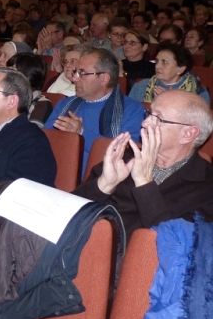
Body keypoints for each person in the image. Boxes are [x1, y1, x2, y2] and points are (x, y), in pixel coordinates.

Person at [75, 90, 213, 239]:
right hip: (82, 247)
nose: (145, 123)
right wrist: (105, 184)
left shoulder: (206, 186)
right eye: (149, 113)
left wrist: (144, 183)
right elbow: (67, 212)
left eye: (158, 118)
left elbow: (175, 245)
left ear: (188, 134)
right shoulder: (125, 158)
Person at [45, 48, 144, 175]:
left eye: (82, 73)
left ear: (104, 79)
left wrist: (82, 133)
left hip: (102, 184)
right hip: (57, 175)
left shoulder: (132, 110)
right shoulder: (65, 104)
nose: (74, 78)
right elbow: (45, 140)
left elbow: (125, 154)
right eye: (76, 72)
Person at [129, 43, 209, 105]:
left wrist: (170, 102)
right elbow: (129, 114)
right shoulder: (141, 86)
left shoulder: (198, 92)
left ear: (180, 69)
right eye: (157, 61)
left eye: (164, 62)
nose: (157, 66)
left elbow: (200, 123)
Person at [7, 53, 52, 127]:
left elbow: (31, 132)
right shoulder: (3, 95)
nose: (6, 75)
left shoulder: (42, 103)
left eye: (13, 72)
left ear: (28, 77)